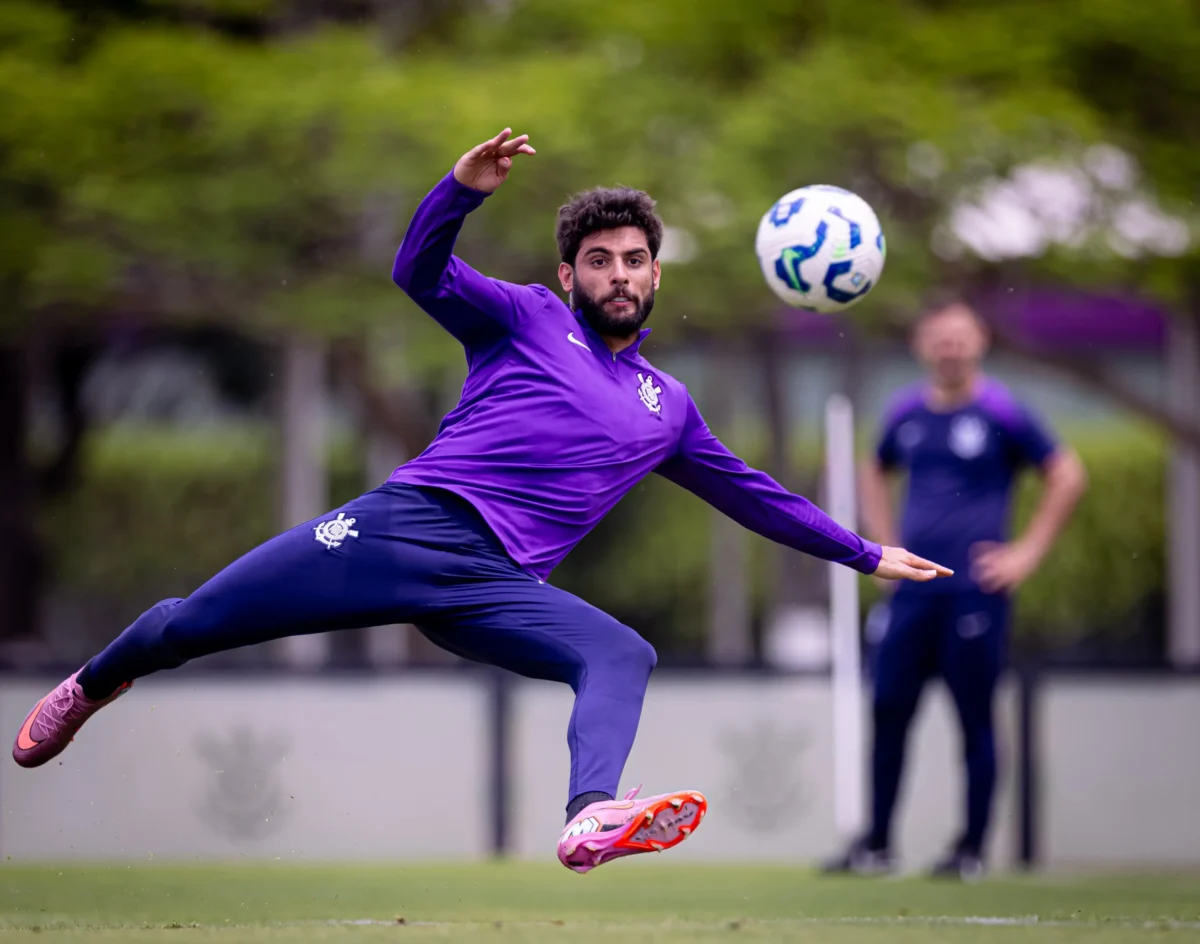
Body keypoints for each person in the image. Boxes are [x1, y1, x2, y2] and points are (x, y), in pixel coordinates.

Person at [12, 130, 950, 873]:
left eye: (633, 260)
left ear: (657, 276)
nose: (617, 273)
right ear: (567, 276)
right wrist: (458, 192)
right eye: (598, 259)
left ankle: (590, 819)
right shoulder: (524, 319)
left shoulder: (669, 408)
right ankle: (91, 685)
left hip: (496, 584)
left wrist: (865, 554)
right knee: (193, 623)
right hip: (404, 529)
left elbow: (755, 496)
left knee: (622, 652)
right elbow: (417, 274)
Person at [823, 299, 1086, 880]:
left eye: (960, 338)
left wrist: (1026, 553)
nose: (950, 349)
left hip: (974, 594)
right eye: (939, 339)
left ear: (980, 342)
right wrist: (882, 546)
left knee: (974, 718)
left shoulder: (1003, 412)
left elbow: (1067, 474)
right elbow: (874, 467)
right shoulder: (906, 411)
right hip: (911, 594)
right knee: (889, 710)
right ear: (923, 346)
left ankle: (969, 850)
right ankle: (877, 845)